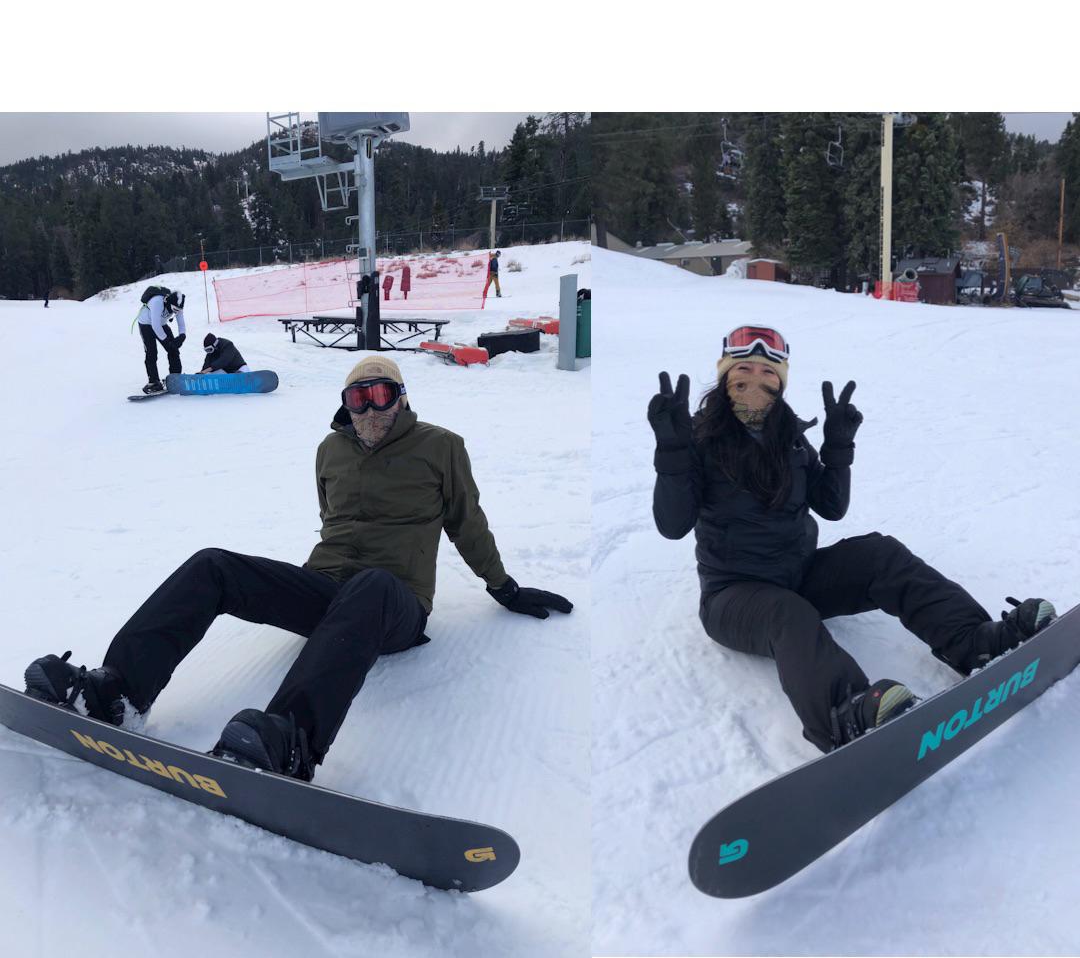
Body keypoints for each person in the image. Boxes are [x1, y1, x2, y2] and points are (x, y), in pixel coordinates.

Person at [24, 355, 572, 782]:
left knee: (372, 584)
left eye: (381, 394)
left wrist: (504, 588)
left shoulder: (442, 447)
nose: (370, 408)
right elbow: (329, 519)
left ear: (402, 398)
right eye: (358, 398)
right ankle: (117, 691)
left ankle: (289, 739)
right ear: (346, 405)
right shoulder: (329, 451)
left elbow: (466, 522)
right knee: (214, 565)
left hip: (393, 606)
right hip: (327, 593)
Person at [648, 324, 1055, 753]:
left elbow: (831, 506)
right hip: (734, 596)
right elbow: (672, 525)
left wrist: (838, 448)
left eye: (769, 372)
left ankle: (977, 643)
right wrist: (672, 453)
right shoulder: (697, 439)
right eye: (743, 368)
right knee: (785, 613)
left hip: (798, 576)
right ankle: (845, 714)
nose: (756, 380)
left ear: (781, 381)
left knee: (880, 553)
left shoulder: (790, 439)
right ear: (726, 375)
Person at [135, 286, 186, 394]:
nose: (176, 313)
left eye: (179, 311)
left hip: (161, 324)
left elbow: (181, 323)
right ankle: (153, 382)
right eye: (175, 310)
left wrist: (182, 336)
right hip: (146, 324)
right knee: (151, 352)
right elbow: (155, 326)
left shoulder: (178, 304)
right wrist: (167, 341)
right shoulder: (157, 301)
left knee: (174, 350)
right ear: (168, 302)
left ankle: (175, 377)